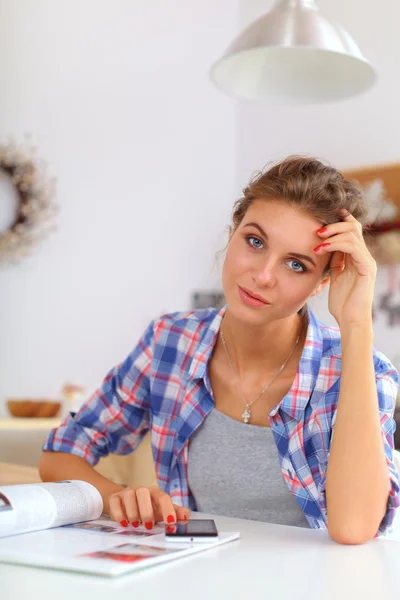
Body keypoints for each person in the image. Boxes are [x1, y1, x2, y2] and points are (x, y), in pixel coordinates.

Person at [39, 156, 400, 545]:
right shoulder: (170, 341)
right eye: (255, 241)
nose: (262, 276)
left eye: (296, 265)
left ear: (320, 283)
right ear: (233, 234)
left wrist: (357, 324)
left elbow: (354, 529)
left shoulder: (362, 370)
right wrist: (117, 498)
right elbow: (60, 453)